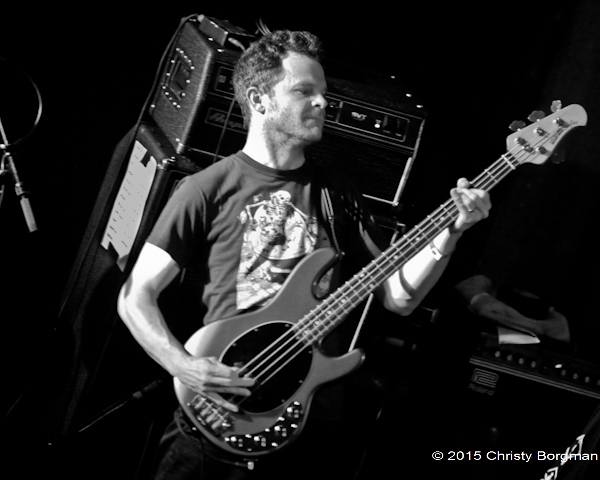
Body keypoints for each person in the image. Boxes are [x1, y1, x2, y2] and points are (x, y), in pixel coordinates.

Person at [117, 29, 491, 480]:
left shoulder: (337, 194)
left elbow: (399, 297)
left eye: (323, 92)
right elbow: (135, 296)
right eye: (303, 90)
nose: (322, 102)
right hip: (218, 414)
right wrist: (183, 366)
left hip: (308, 421)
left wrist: (451, 232)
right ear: (259, 99)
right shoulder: (205, 189)